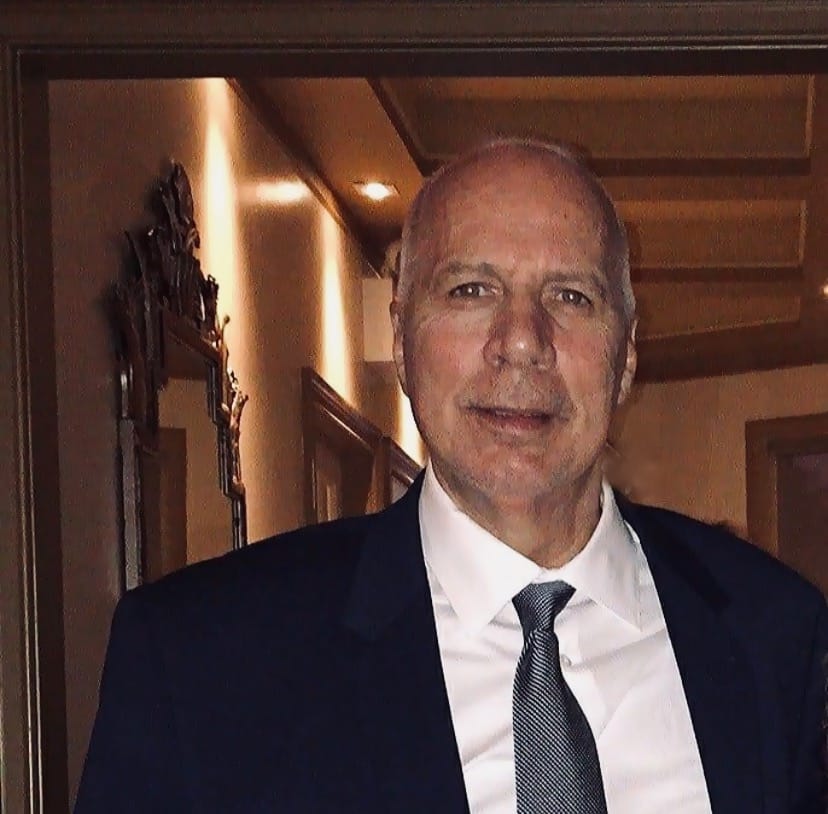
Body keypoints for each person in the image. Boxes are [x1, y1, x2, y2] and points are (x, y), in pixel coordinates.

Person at [75, 139, 827, 813]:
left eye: (571, 296)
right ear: (402, 341)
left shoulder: (778, 635)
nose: (522, 342)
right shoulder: (201, 662)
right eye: (471, 290)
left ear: (625, 355)